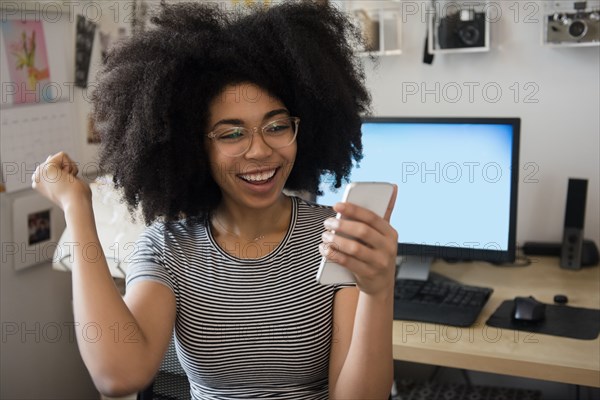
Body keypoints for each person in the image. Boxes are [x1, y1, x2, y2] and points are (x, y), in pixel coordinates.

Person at [32, 1, 398, 399]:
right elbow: (119, 375)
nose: (260, 151)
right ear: (192, 146)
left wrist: (378, 290)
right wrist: (77, 208)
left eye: (276, 126)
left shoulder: (336, 241)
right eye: (231, 133)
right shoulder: (168, 248)